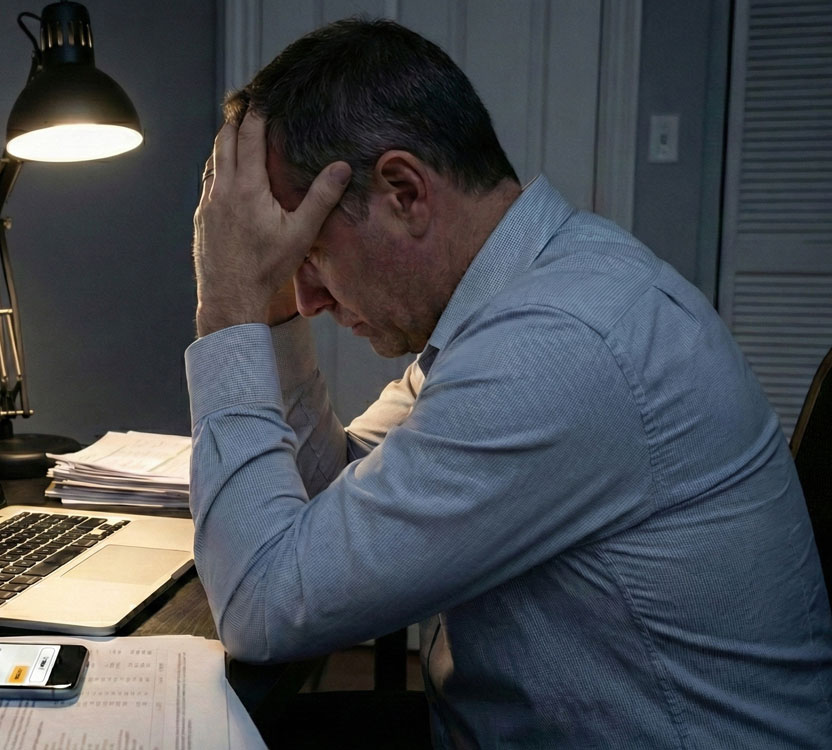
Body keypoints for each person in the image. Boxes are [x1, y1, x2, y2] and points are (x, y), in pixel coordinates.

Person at [186, 17, 832, 749]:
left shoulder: (557, 346)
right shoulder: (522, 302)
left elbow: (263, 603)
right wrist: (268, 317)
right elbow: (327, 500)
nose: (309, 298)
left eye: (309, 254)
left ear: (403, 191)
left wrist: (227, 308)